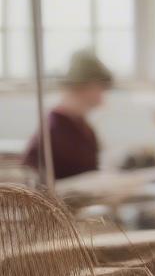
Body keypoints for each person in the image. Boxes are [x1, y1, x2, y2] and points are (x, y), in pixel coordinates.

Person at [23, 50, 113, 180]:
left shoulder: (80, 124)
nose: (103, 93)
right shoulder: (55, 127)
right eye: (100, 86)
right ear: (84, 86)